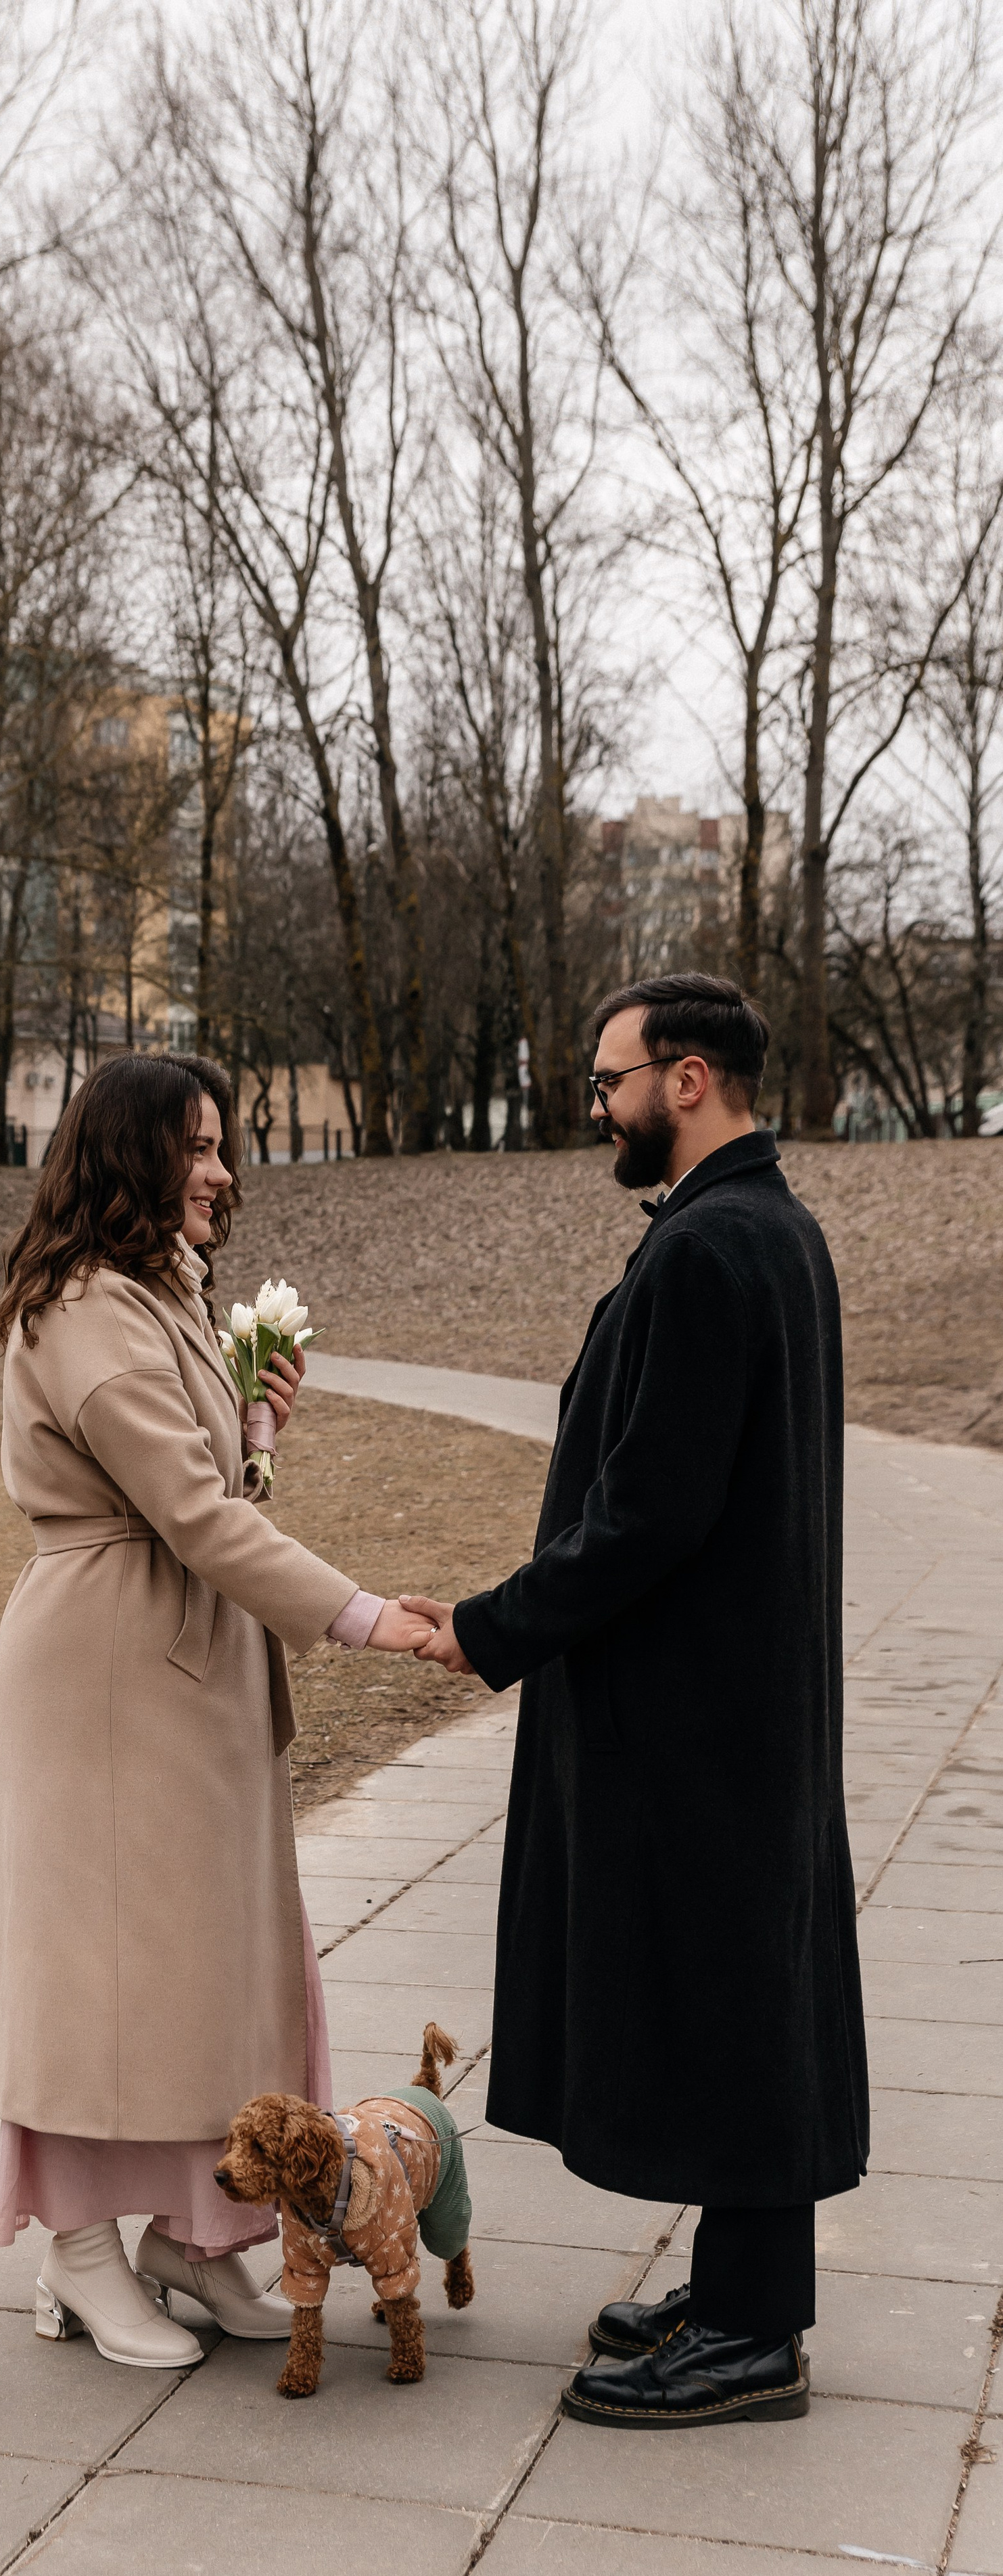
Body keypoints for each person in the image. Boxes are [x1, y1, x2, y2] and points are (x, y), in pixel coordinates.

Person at [409, 972, 867, 2429]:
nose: (596, 1108)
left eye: (608, 1082)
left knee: (732, 1995)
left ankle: (750, 2335)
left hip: (696, 1707)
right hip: (732, 1693)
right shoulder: (762, 1226)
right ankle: (740, 2288)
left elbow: (648, 1512)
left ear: (685, 1078)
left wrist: (490, 1626)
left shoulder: (713, 1247)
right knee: (743, 1982)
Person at [0, 1051, 432, 2368]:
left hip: (183, 1672)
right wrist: (361, 1615)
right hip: (108, 1679)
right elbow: (191, 1517)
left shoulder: (161, 1293)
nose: (219, 1171)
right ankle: (79, 2253)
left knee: (205, 1968)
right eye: (196, 1146)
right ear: (129, 1156)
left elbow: (210, 1492)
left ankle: (192, 2239)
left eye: (220, 1145)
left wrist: (259, 1430)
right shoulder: (84, 1308)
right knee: (96, 1974)